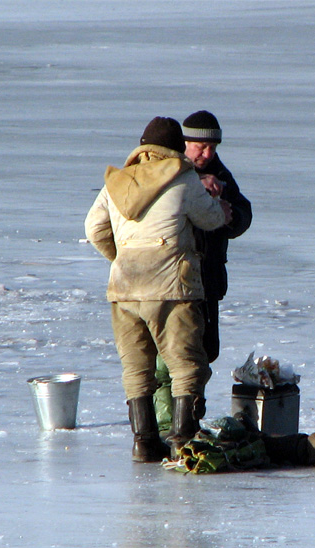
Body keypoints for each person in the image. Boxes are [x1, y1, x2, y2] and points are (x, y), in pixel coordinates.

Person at [84, 117, 233, 462]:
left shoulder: (115, 183)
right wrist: (224, 211)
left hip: (124, 289)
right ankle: (182, 441)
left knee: (137, 369)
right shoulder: (182, 178)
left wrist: (122, 258)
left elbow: (94, 229)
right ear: (175, 148)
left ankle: (144, 443)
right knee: (186, 367)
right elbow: (210, 218)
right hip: (170, 289)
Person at [154, 110, 252, 432]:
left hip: (207, 280)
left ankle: (189, 416)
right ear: (185, 143)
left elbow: (243, 213)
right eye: (200, 147)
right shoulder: (168, 167)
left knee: (205, 352)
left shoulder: (220, 173)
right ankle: (170, 425)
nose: (207, 154)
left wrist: (227, 213)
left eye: (213, 148)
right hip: (170, 279)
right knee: (170, 356)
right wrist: (197, 186)